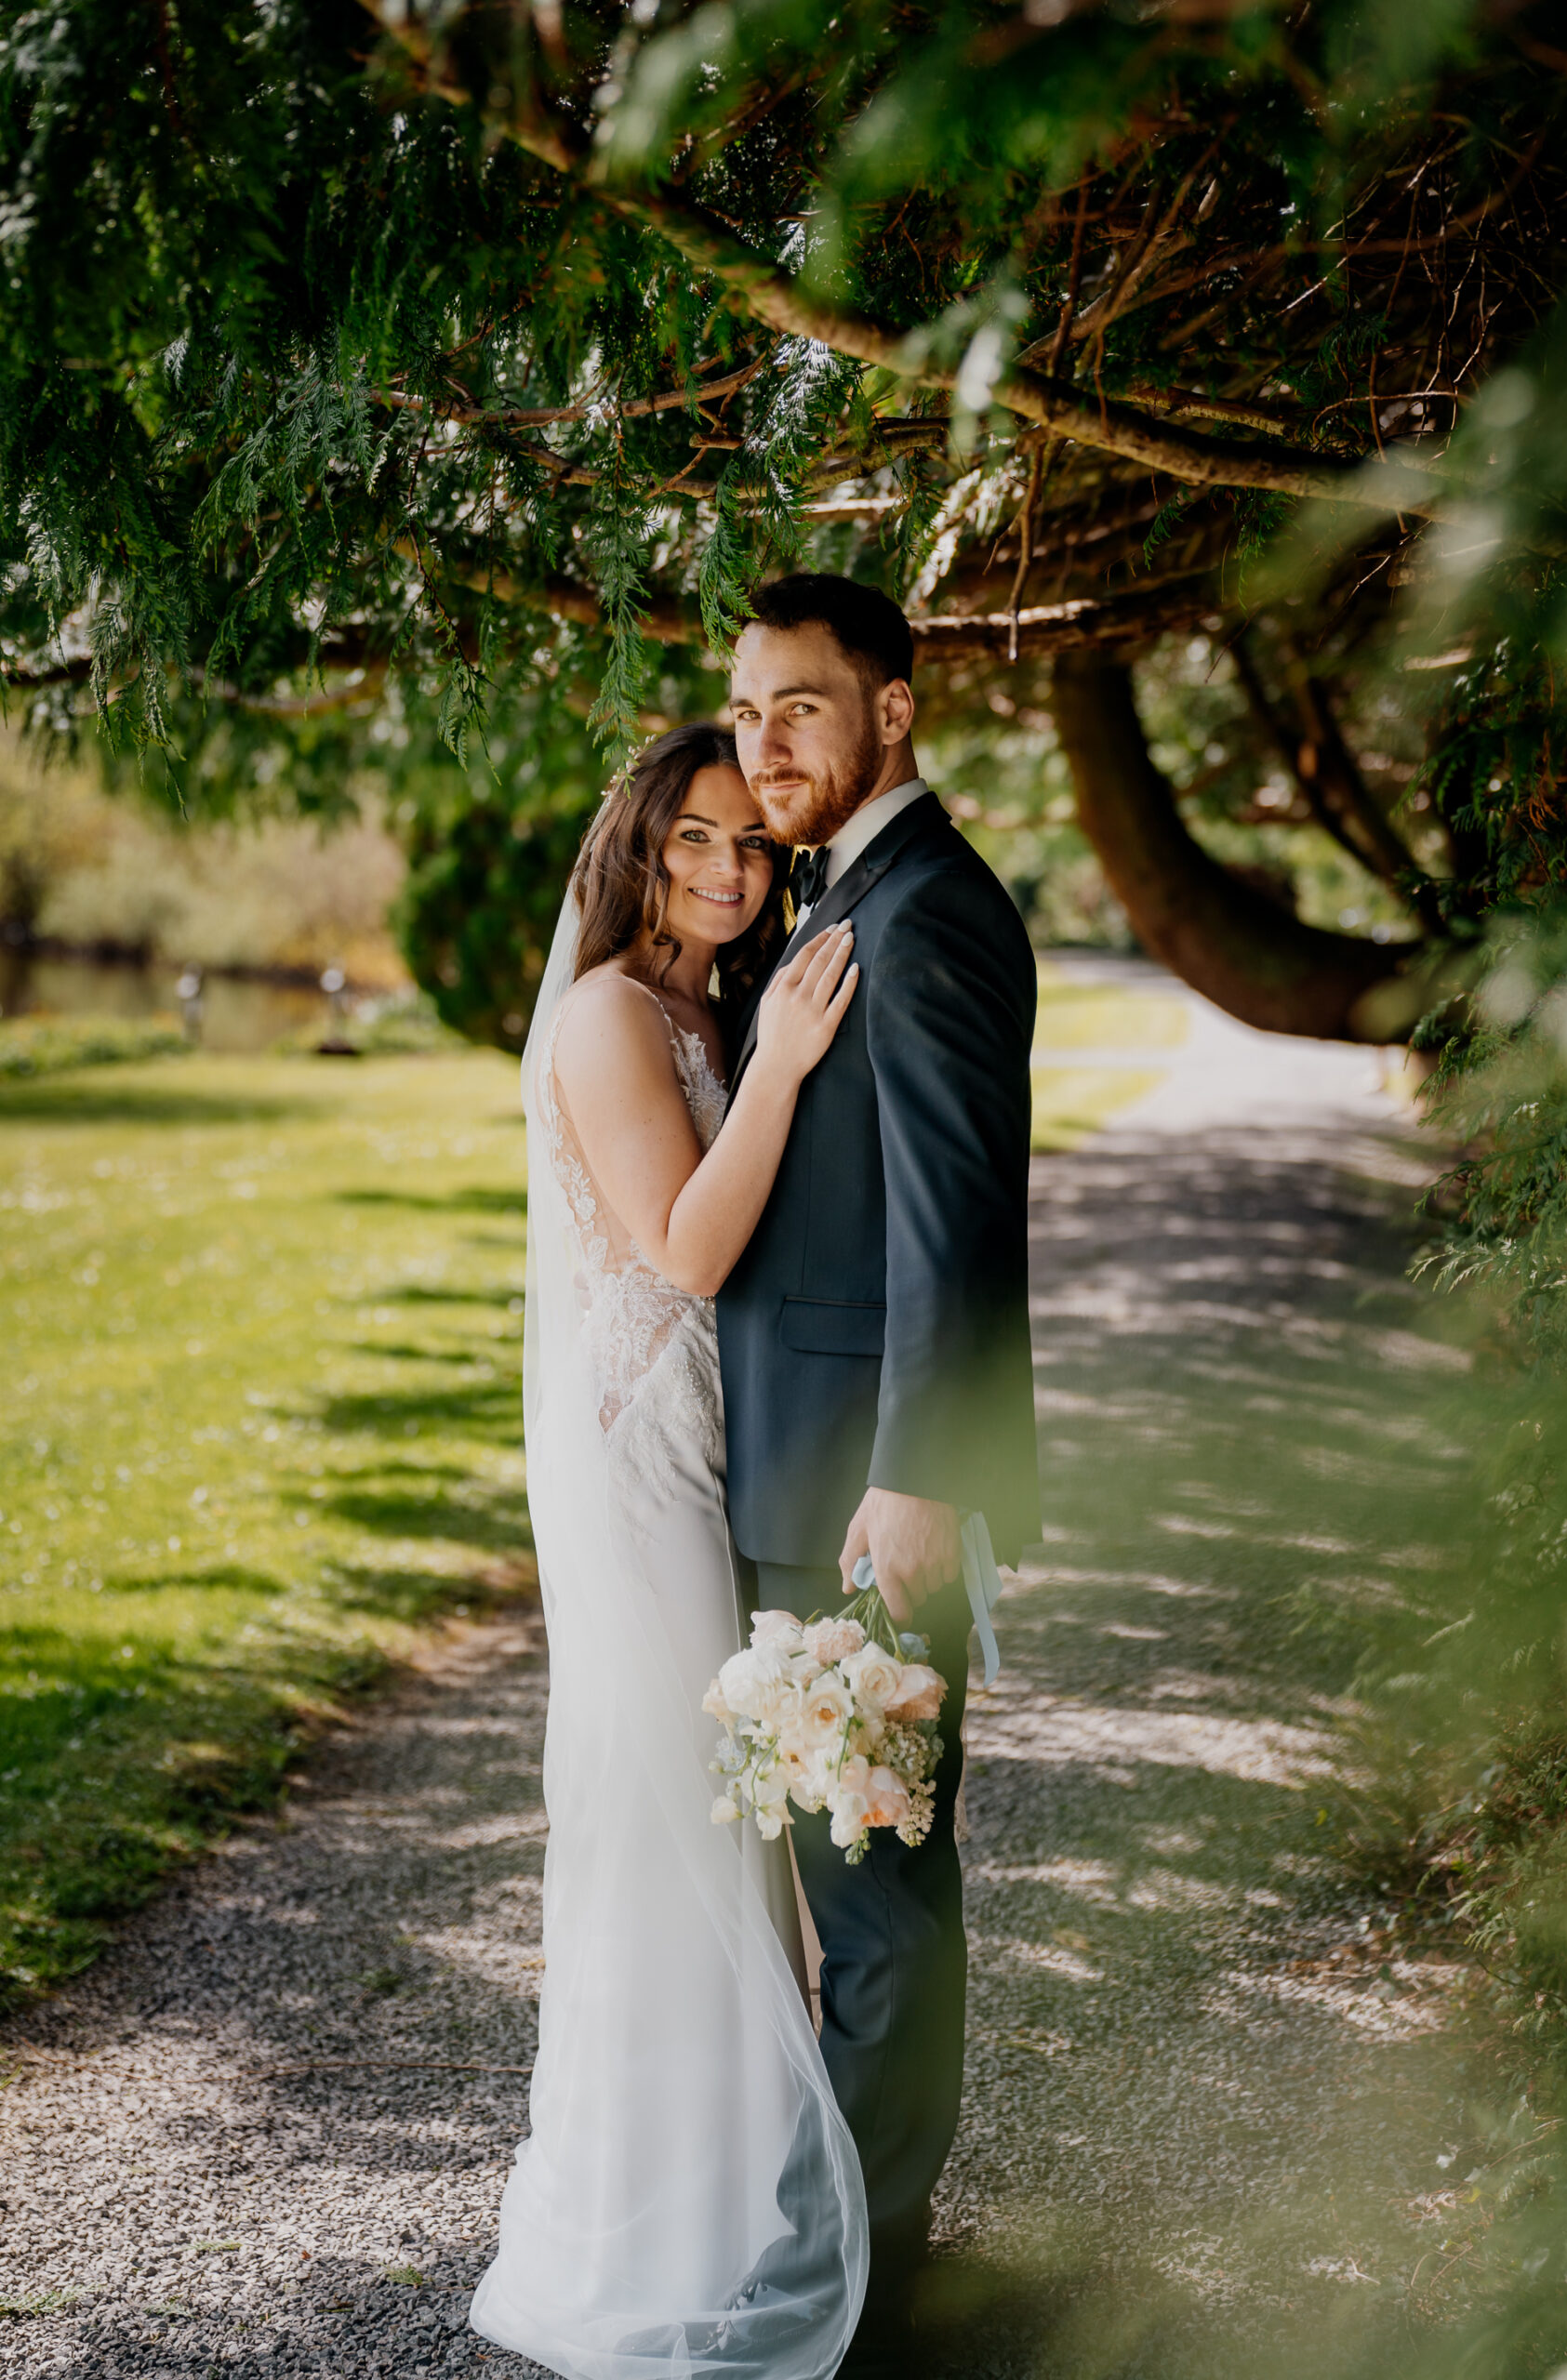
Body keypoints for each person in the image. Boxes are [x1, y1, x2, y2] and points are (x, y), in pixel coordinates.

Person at [471, 721, 870, 2379]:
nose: (725, 869)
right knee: (670, 1821)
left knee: (736, 1823)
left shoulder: (706, 1002)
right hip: (639, 1465)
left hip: (714, 1450)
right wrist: (777, 1068)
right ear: (639, 843)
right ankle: (654, 2232)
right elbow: (688, 1252)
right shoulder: (609, 1018)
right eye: (694, 838)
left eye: (751, 848)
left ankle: (733, 2199)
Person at [719, 575, 1041, 2378]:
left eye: (802, 706)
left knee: (881, 1898)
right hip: (803, 1480)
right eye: (748, 707)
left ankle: (855, 2298)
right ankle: (838, 2247)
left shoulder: (924, 912)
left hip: (865, 1496)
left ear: (893, 709)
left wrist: (921, 1474)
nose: (765, 741)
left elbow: (955, 1224)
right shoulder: (847, 894)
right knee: (848, 1886)